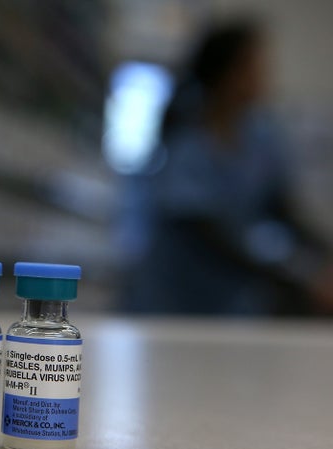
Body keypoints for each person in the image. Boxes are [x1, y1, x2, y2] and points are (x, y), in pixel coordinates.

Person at [119, 19, 332, 315]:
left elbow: (283, 209)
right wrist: (293, 279)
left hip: (232, 305)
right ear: (229, 74)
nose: (264, 76)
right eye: (255, 65)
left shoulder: (262, 137)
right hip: (174, 303)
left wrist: (324, 252)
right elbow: (211, 238)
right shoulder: (188, 143)